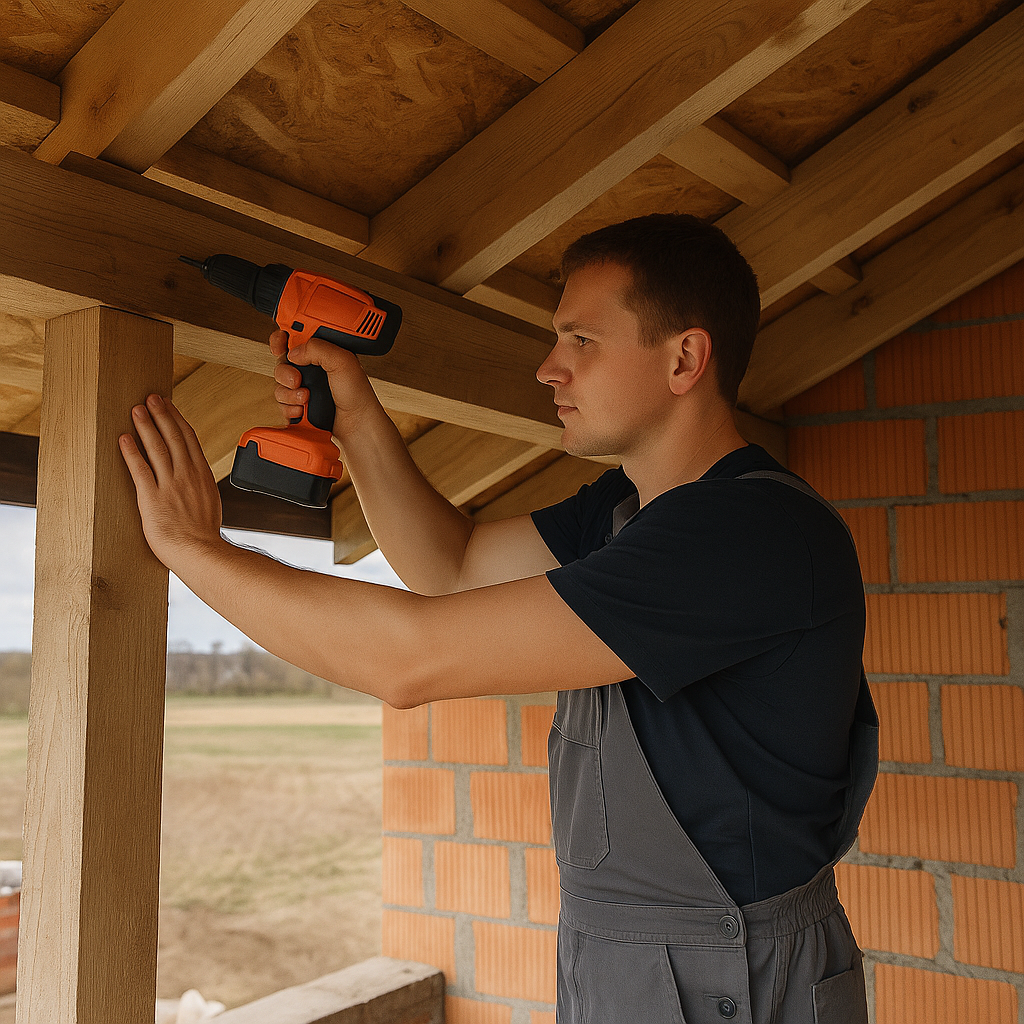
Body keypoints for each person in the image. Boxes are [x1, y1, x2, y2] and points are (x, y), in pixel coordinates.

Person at [120, 214, 877, 1024]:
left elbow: (409, 661)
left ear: (684, 357)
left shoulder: (743, 534)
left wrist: (194, 548)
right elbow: (453, 566)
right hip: (637, 963)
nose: (549, 368)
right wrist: (354, 413)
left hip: (729, 976)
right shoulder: (627, 513)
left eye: (580, 340)